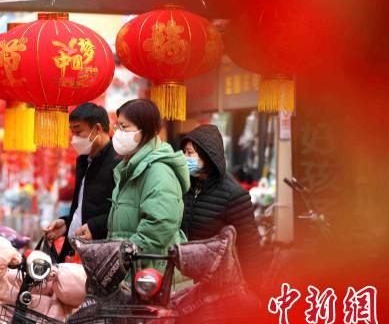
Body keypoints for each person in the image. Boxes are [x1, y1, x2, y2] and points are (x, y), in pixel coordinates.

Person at [107, 99, 190, 260]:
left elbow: (161, 223)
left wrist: (127, 252)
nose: (118, 133)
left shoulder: (158, 171)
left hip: (150, 273)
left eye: (124, 127)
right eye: (118, 127)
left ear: (144, 129)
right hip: (132, 270)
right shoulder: (129, 167)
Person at [180, 124, 262, 282]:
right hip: (185, 279)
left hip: (218, 281)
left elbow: (250, 247)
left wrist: (254, 288)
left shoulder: (234, 194)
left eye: (190, 153)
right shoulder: (185, 186)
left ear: (207, 156)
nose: (184, 158)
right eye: (184, 152)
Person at [44, 103, 118, 259]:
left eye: (78, 131)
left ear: (97, 129)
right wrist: (66, 223)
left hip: (100, 253)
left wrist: (95, 227)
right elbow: (81, 206)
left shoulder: (118, 161)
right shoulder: (83, 161)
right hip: (74, 250)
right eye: (72, 132)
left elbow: (124, 212)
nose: (74, 138)